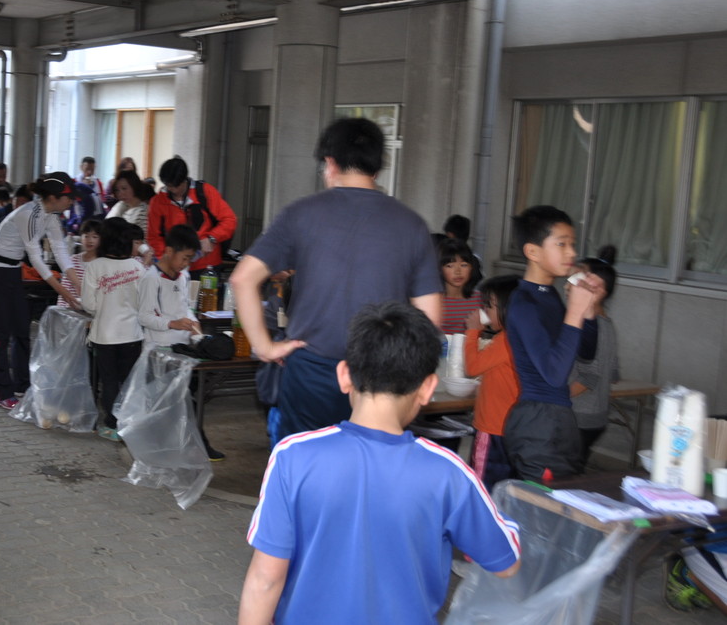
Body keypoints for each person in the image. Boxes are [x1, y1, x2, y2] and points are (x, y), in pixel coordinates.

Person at [238, 302, 521, 625]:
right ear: (428, 388)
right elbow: (506, 563)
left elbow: (265, 579)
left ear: (344, 375)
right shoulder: (448, 472)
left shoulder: (293, 457)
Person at [230, 118, 442, 443]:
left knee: (307, 462)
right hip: (383, 375)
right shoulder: (412, 224)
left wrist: (266, 347)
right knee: (372, 464)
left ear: (330, 163)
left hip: (311, 371)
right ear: (377, 167)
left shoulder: (300, 214)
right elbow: (430, 317)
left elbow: (243, 279)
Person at [502, 205, 604, 482]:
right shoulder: (524, 303)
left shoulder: (549, 295)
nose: (572, 253)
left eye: (572, 244)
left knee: (562, 499)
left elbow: (586, 353)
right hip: (539, 422)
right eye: (561, 244)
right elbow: (554, 373)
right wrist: (575, 311)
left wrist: (589, 311)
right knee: (544, 504)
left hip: (557, 419)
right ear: (532, 251)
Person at [0, 172, 79, 409]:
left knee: (21, 330)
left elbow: (61, 252)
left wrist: (78, 284)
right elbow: (36, 258)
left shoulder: (51, 217)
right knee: (1, 333)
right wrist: (65, 292)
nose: (71, 202)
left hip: (12, 271)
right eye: (69, 197)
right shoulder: (29, 214)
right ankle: (0, 392)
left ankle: (22, 385)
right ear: (53, 197)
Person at [137, 224, 225, 461]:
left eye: (190, 259)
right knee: (162, 404)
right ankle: (158, 450)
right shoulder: (151, 278)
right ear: (168, 251)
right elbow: (144, 316)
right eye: (184, 258)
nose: (186, 264)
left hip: (183, 349)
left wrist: (196, 332)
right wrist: (172, 323)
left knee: (186, 401)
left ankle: (191, 445)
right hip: (159, 350)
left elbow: (185, 307)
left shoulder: (183, 276)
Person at [81, 217, 146, 442]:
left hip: (104, 335)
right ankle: (128, 422)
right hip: (132, 335)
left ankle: (112, 424)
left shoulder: (95, 266)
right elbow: (144, 303)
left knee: (109, 381)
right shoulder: (137, 267)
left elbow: (89, 305)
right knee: (128, 381)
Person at [464, 274, 521, 489]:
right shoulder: (521, 336)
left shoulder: (505, 339)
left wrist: (472, 331)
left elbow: (472, 367)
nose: (485, 311)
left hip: (493, 425)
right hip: (512, 427)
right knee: (505, 484)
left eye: (489, 306)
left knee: (482, 485)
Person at [569, 245, 620, 466]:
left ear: (598, 291)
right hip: (595, 417)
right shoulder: (608, 324)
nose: (571, 284)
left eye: (580, 280)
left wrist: (555, 399)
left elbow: (589, 377)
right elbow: (614, 373)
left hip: (579, 417)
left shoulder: (590, 327)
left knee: (564, 475)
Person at [147, 156, 236, 277]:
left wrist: (212, 238)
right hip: (174, 267)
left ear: (185, 179)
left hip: (207, 265)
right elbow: (154, 237)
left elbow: (229, 220)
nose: (173, 190)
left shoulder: (205, 192)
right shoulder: (157, 202)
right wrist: (166, 259)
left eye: (176, 186)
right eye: (169, 186)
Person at [438, 237, 483, 334]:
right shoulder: (433, 300)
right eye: (450, 266)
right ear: (439, 268)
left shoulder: (479, 299)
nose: (458, 271)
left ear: (472, 267)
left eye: (464, 265)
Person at [58, 218, 101, 308]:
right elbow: (65, 288)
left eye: (95, 237)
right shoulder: (73, 260)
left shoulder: (103, 263)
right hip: (71, 309)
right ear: (81, 238)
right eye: (86, 236)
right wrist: (62, 309)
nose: (90, 240)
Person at [105, 169, 153, 237]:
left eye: (124, 188)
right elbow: (105, 227)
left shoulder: (143, 211)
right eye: (117, 190)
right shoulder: (121, 206)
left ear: (134, 186)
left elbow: (143, 239)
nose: (120, 193)